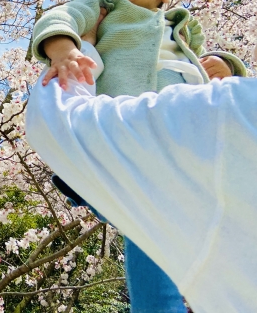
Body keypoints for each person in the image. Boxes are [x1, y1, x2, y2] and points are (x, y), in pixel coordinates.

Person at [29, 0, 246, 312]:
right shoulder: (100, 4)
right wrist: (64, 49)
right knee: (151, 229)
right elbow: (59, 18)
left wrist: (226, 66)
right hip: (131, 137)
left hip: (189, 135)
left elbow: (207, 66)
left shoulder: (181, 26)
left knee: (211, 226)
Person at [24, 74, 257, 313]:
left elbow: (53, 123)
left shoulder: (226, 110)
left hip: (149, 146)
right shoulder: (229, 109)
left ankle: (94, 194)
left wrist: (76, 51)